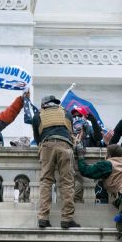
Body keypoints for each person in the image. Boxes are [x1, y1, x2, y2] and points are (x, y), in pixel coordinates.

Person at [31, 94, 79, 229]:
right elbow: (70, 131)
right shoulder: (66, 113)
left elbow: (37, 137)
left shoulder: (38, 115)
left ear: (43, 104)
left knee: (46, 181)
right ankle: (67, 219)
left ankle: (43, 217)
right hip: (65, 145)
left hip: (47, 145)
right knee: (67, 183)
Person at [72, 105, 104, 203]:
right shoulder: (69, 130)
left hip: (86, 169)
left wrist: (93, 121)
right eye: (74, 116)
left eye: (79, 116)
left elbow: (98, 137)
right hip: (73, 169)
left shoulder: (89, 129)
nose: (76, 118)